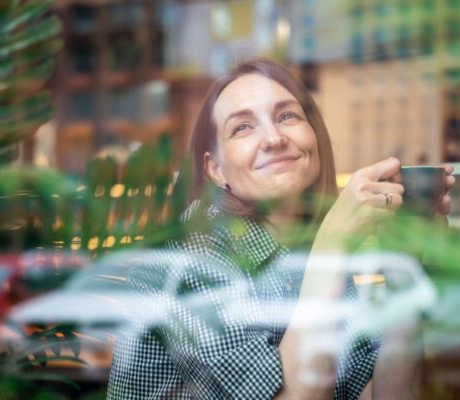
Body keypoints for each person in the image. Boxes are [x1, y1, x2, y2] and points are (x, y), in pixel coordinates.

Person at [107, 59, 454, 400]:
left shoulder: (306, 250)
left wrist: (402, 269)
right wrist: (333, 243)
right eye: (242, 127)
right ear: (216, 170)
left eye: (287, 116)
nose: (274, 138)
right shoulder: (189, 256)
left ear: (314, 137)